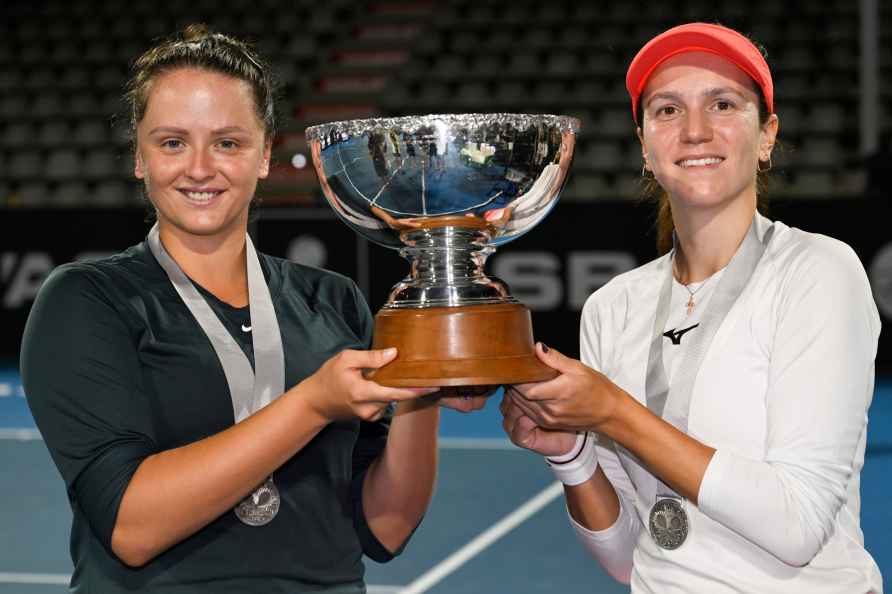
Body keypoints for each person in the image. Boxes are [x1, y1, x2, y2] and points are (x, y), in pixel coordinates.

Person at [20, 25, 486, 593]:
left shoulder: (332, 299)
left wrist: (422, 390)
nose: (198, 167)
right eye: (172, 142)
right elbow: (131, 525)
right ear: (138, 157)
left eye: (227, 142)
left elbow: (384, 528)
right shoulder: (87, 301)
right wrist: (312, 404)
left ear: (264, 155)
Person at [500, 22, 883, 592]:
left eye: (723, 104)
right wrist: (573, 455)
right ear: (645, 149)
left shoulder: (819, 270)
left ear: (767, 137)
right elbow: (633, 555)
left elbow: (798, 527)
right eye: (668, 111)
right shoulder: (613, 306)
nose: (696, 131)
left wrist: (613, 412)